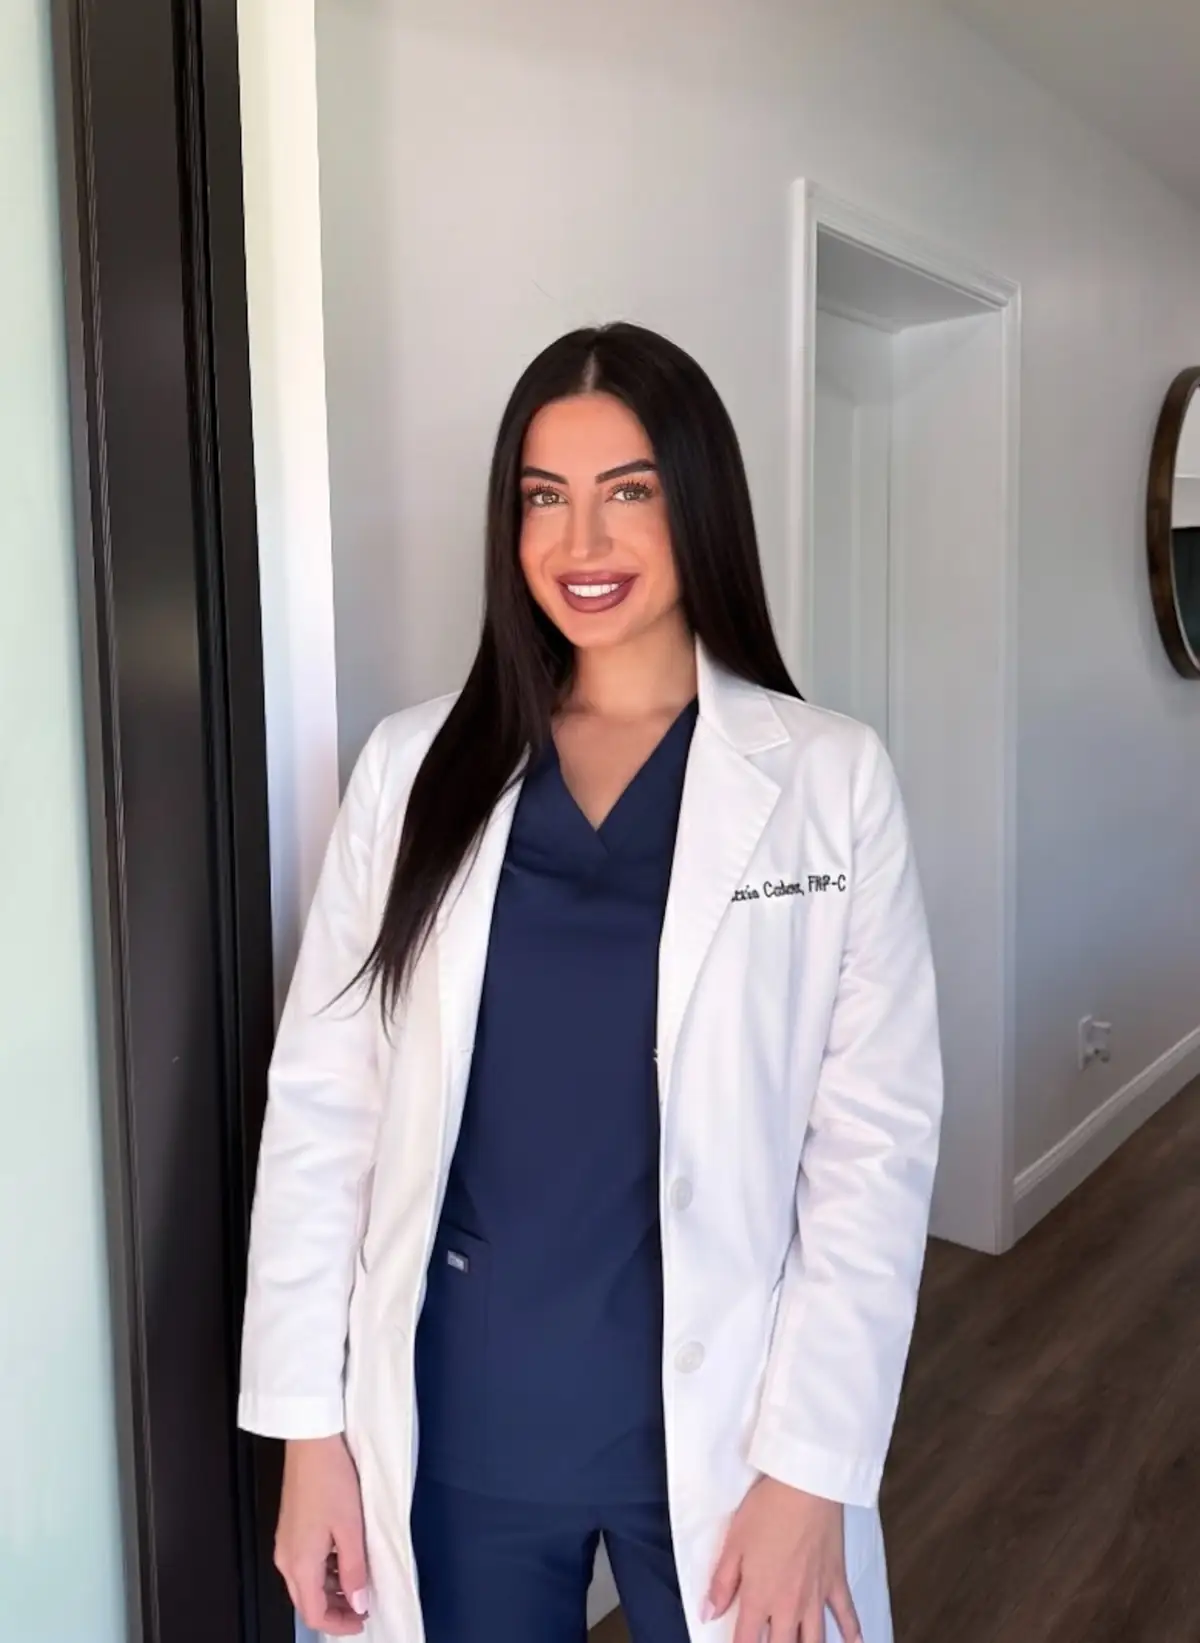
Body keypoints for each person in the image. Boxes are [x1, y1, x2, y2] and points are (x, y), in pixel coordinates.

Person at [238, 322, 943, 1643]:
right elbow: (322, 1104)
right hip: (467, 1414)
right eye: (542, 499)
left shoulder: (829, 781)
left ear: (700, 504)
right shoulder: (411, 772)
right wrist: (306, 1429)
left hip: (732, 1416)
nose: (583, 542)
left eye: (629, 491)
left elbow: (875, 1148)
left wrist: (815, 1466)